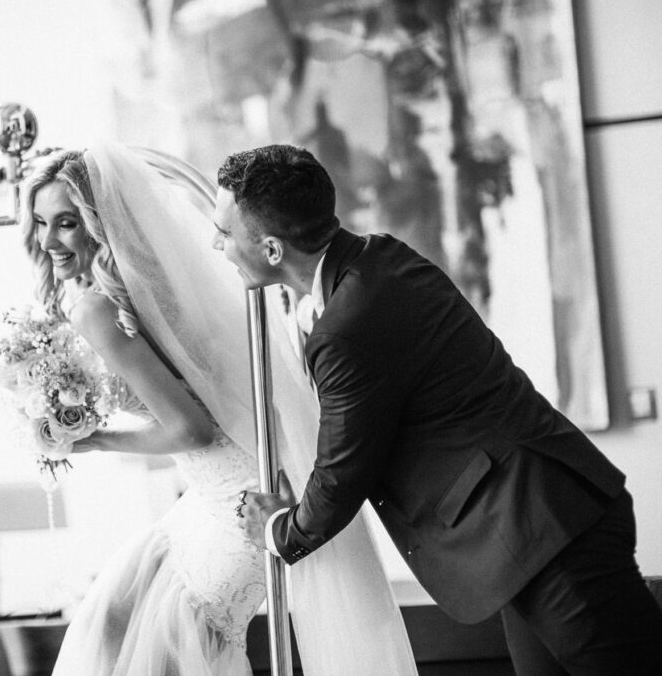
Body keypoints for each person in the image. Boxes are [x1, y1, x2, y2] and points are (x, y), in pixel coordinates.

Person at [219, 144, 662, 674]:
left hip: (549, 531)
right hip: (526, 531)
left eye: (225, 232)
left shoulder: (349, 321)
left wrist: (279, 530)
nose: (216, 244)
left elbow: (344, 468)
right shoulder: (373, 258)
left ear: (271, 249)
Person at [18, 145, 416, 675]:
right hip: (212, 495)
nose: (48, 241)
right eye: (41, 223)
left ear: (97, 223)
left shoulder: (97, 309)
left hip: (236, 509)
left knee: (156, 649)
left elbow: (191, 428)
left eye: (65, 223)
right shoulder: (154, 289)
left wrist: (90, 439)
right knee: (111, 625)